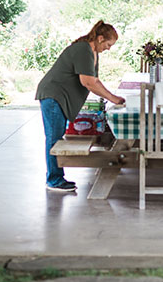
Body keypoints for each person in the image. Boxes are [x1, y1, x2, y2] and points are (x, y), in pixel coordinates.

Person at [35, 20, 125, 191]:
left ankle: (56, 177)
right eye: (108, 44)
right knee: (54, 138)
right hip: (53, 95)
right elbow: (88, 83)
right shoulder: (83, 49)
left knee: (56, 136)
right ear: (99, 38)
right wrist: (113, 99)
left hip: (57, 96)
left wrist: (113, 98)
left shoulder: (92, 52)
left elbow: (95, 80)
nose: (108, 48)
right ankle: (54, 180)